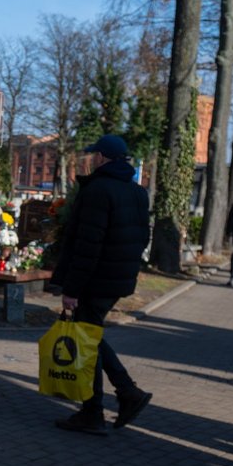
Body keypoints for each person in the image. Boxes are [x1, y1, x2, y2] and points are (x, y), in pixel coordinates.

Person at [51, 134, 152, 435]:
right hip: (117, 280)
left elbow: (87, 245)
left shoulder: (98, 190)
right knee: (90, 336)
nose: (93, 159)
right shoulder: (137, 192)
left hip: (94, 280)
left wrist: (71, 289)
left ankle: (113, 400)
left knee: (88, 337)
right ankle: (111, 401)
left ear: (104, 158)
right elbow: (142, 238)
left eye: (96, 155)